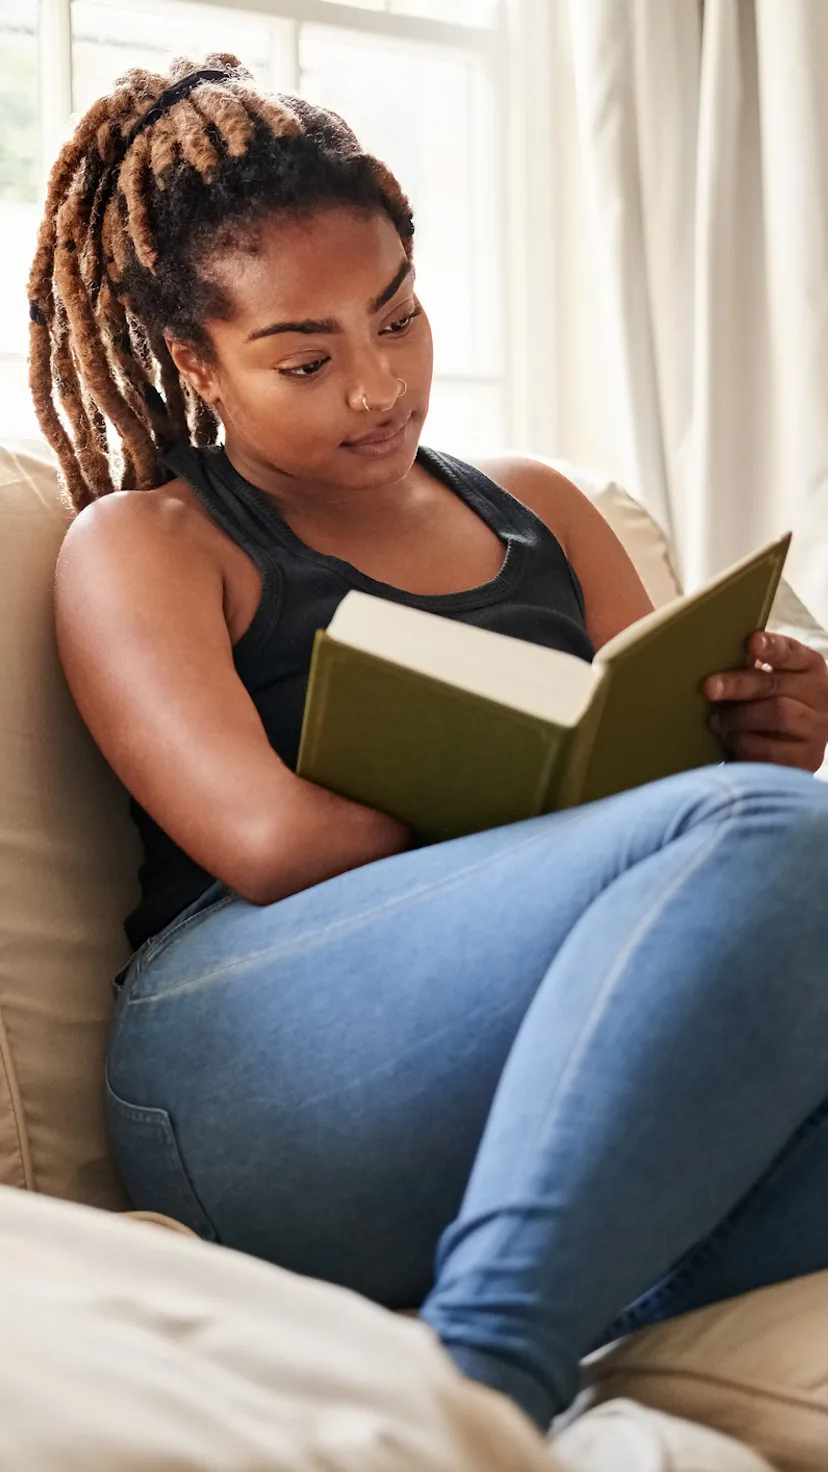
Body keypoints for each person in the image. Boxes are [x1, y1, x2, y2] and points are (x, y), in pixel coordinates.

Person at [30, 55, 828, 1434]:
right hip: (242, 1057)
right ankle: (477, 1393)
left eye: (397, 318)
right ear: (193, 360)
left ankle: (597, 1288)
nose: (376, 387)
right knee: (753, 839)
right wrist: (678, 825)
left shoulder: (542, 509)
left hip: (493, 1066)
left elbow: (682, 809)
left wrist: (759, 745)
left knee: (774, 844)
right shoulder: (151, 543)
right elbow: (269, 840)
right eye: (306, 356)